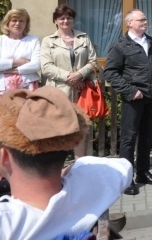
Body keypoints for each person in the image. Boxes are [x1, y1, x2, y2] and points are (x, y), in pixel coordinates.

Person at [0, 87, 131, 240]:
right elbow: (124, 166)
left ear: (4, 157)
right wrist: (73, 173)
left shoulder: (7, 221)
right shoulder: (90, 190)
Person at [102, 10, 152, 195]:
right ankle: (127, 179)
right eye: (141, 20)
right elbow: (109, 73)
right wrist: (131, 91)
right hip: (134, 99)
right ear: (129, 23)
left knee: (147, 137)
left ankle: (143, 172)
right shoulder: (120, 45)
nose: (145, 22)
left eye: (146, 19)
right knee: (128, 139)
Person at [39, 4, 99, 158]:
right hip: (58, 93)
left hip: (81, 93)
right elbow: (46, 67)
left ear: (73, 20)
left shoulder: (83, 38)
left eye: (69, 18)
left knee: (81, 129)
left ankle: (80, 165)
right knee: (58, 130)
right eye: (62, 18)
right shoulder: (48, 40)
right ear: (55, 21)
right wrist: (70, 77)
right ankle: (57, 169)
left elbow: (93, 62)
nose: (65, 21)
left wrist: (79, 74)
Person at [0, 9, 41, 94]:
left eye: (21, 21)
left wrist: (8, 70)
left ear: (26, 24)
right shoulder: (1, 40)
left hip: (28, 87)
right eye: (14, 20)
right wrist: (20, 62)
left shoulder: (33, 40)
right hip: (3, 88)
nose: (17, 24)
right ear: (7, 23)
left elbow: (37, 65)